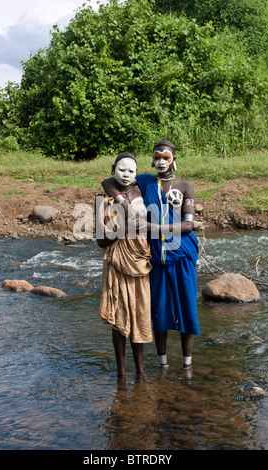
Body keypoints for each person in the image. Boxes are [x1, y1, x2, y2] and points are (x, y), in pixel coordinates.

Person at [102, 140, 200, 372]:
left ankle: (187, 367)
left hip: (182, 253)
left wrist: (151, 228)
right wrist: (122, 202)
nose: (161, 161)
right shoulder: (145, 181)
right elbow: (108, 182)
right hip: (155, 257)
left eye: (166, 157)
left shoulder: (185, 185)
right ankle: (162, 364)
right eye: (157, 157)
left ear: (174, 160)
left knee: (187, 308)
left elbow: (187, 226)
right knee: (159, 310)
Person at [97, 152, 153, 378]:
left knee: (141, 313)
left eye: (131, 171)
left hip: (140, 259)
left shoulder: (144, 193)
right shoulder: (103, 199)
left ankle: (140, 370)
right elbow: (101, 240)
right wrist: (123, 229)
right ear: (113, 169)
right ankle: (122, 371)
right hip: (117, 261)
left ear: (137, 174)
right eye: (122, 169)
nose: (126, 174)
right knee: (119, 317)